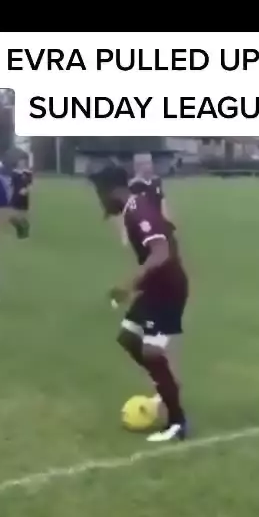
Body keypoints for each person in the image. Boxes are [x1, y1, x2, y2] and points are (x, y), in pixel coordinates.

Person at [88, 163, 189, 442]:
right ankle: (166, 386)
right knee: (128, 338)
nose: (100, 199)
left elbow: (161, 251)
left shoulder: (137, 210)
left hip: (167, 289)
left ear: (112, 190)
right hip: (155, 287)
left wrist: (128, 285)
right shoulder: (133, 209)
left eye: (100, 192)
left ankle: (177, 422)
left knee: (151, 352)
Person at [129, 154, 171, 220]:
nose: (150, 166)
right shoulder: (133, 185)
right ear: (138, 166)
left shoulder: (156, 181)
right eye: (147, 164)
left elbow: (162, 201)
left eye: (150, 163)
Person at [10, 160, 33, 238]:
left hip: (24, 197)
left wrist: (26, 190)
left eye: (23, 163)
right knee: (12, 217)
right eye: (20, 163)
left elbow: (30, 184)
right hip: (15, 196)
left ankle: (23, 233)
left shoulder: (27, 173)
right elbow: (11, 185)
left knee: (23, 216)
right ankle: (21, 229)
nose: (21, 164)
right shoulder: (14, 173)